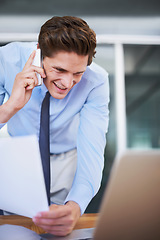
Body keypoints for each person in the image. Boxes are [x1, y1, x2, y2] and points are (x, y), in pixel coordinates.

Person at [0, 16, 109, 236]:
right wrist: (11, 106)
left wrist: (75, 206)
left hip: (67, 164)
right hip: (20, 160)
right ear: (40, 52)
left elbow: (93, 150)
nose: (67, 83)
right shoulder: (6, 60)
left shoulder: (97, 81)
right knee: (16, 233)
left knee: (65, 232)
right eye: (59, 70)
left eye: (77, 73)